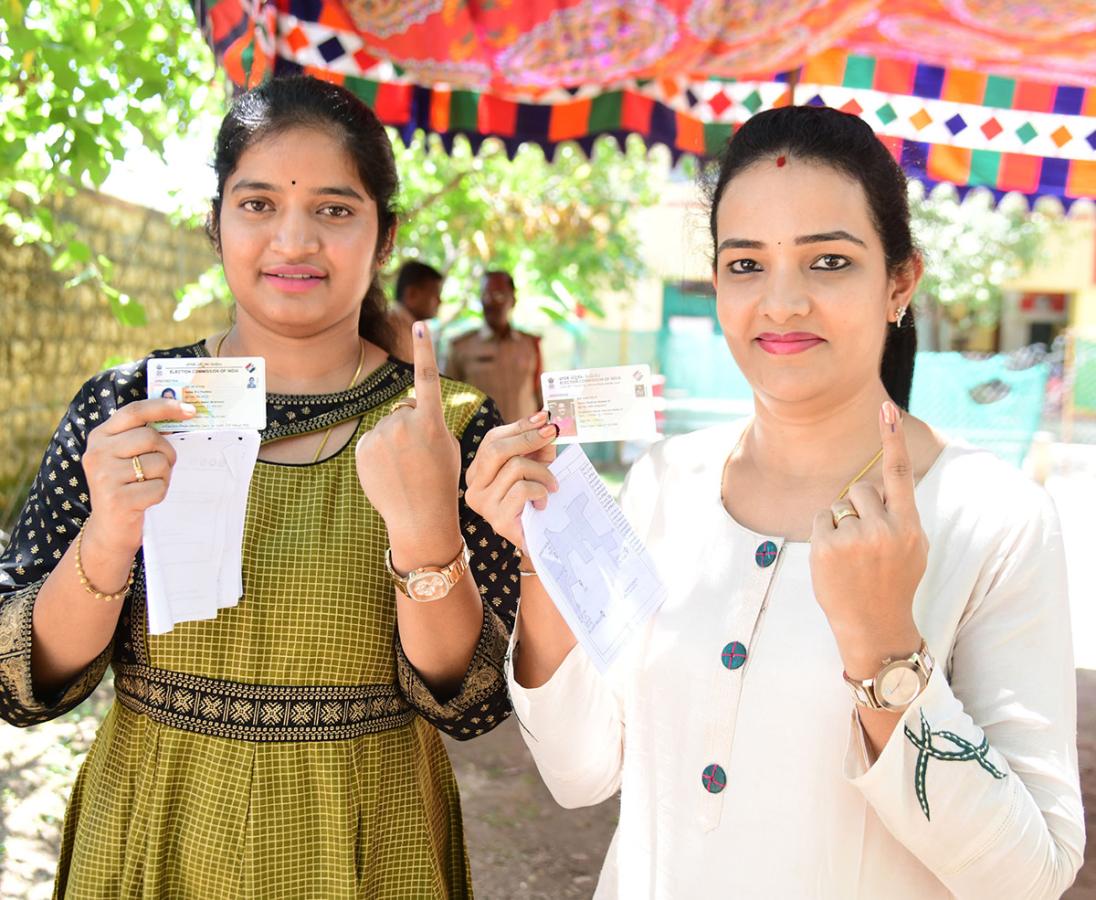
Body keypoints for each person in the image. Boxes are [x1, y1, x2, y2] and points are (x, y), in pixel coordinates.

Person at [464, 106, 1085, 897]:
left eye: (828, 262)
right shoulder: (666, 482)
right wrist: (543, 562)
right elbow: (583, 771)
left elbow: (1027, 876)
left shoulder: (991, 518)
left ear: (900, 281)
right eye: (747, 264)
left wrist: (884, 649)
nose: (781, 303)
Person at [0, 75, 522, 899]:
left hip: (369, 837)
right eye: (257, 205)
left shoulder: (447, 429)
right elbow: (20, 685)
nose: (294, 240)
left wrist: (426, 533)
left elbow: (472, 701)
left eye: (334, 209)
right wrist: (109, 537)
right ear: (214, 224)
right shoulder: (125, 410)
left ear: (384, 235)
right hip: (154, 831)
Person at [445, 270, 543, 423]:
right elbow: (448, 401)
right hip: (481, 444)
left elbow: (541, 397)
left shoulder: (530, 345)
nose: (490, 302)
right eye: (485, 296)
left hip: (526, 441)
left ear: (513, 300)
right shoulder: (461, 347)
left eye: (498, 296)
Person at [388, 260, 443, 362]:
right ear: (412, 294)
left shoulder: (409, 327)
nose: (440, 301)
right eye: (435, 294)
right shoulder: (394, 327)